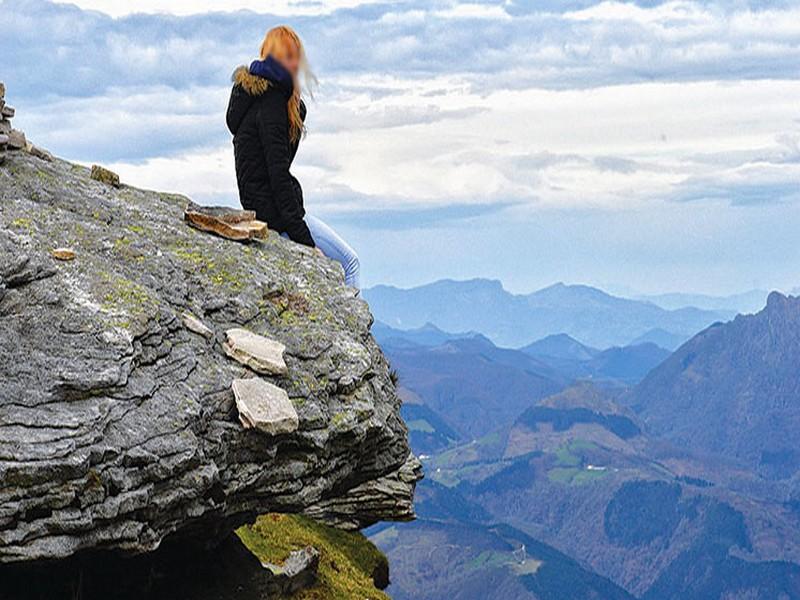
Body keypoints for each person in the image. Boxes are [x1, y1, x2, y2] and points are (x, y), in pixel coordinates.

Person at [226, 25, 360, 289]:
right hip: (277, 215)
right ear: (272, 56)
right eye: (288, 55)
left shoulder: (259, 101)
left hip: (264, 210)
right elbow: (278, 177)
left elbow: (270, 170)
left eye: (296, 55)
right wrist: (306, 242)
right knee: (350, 264)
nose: (295, 62)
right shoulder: (271, 104)